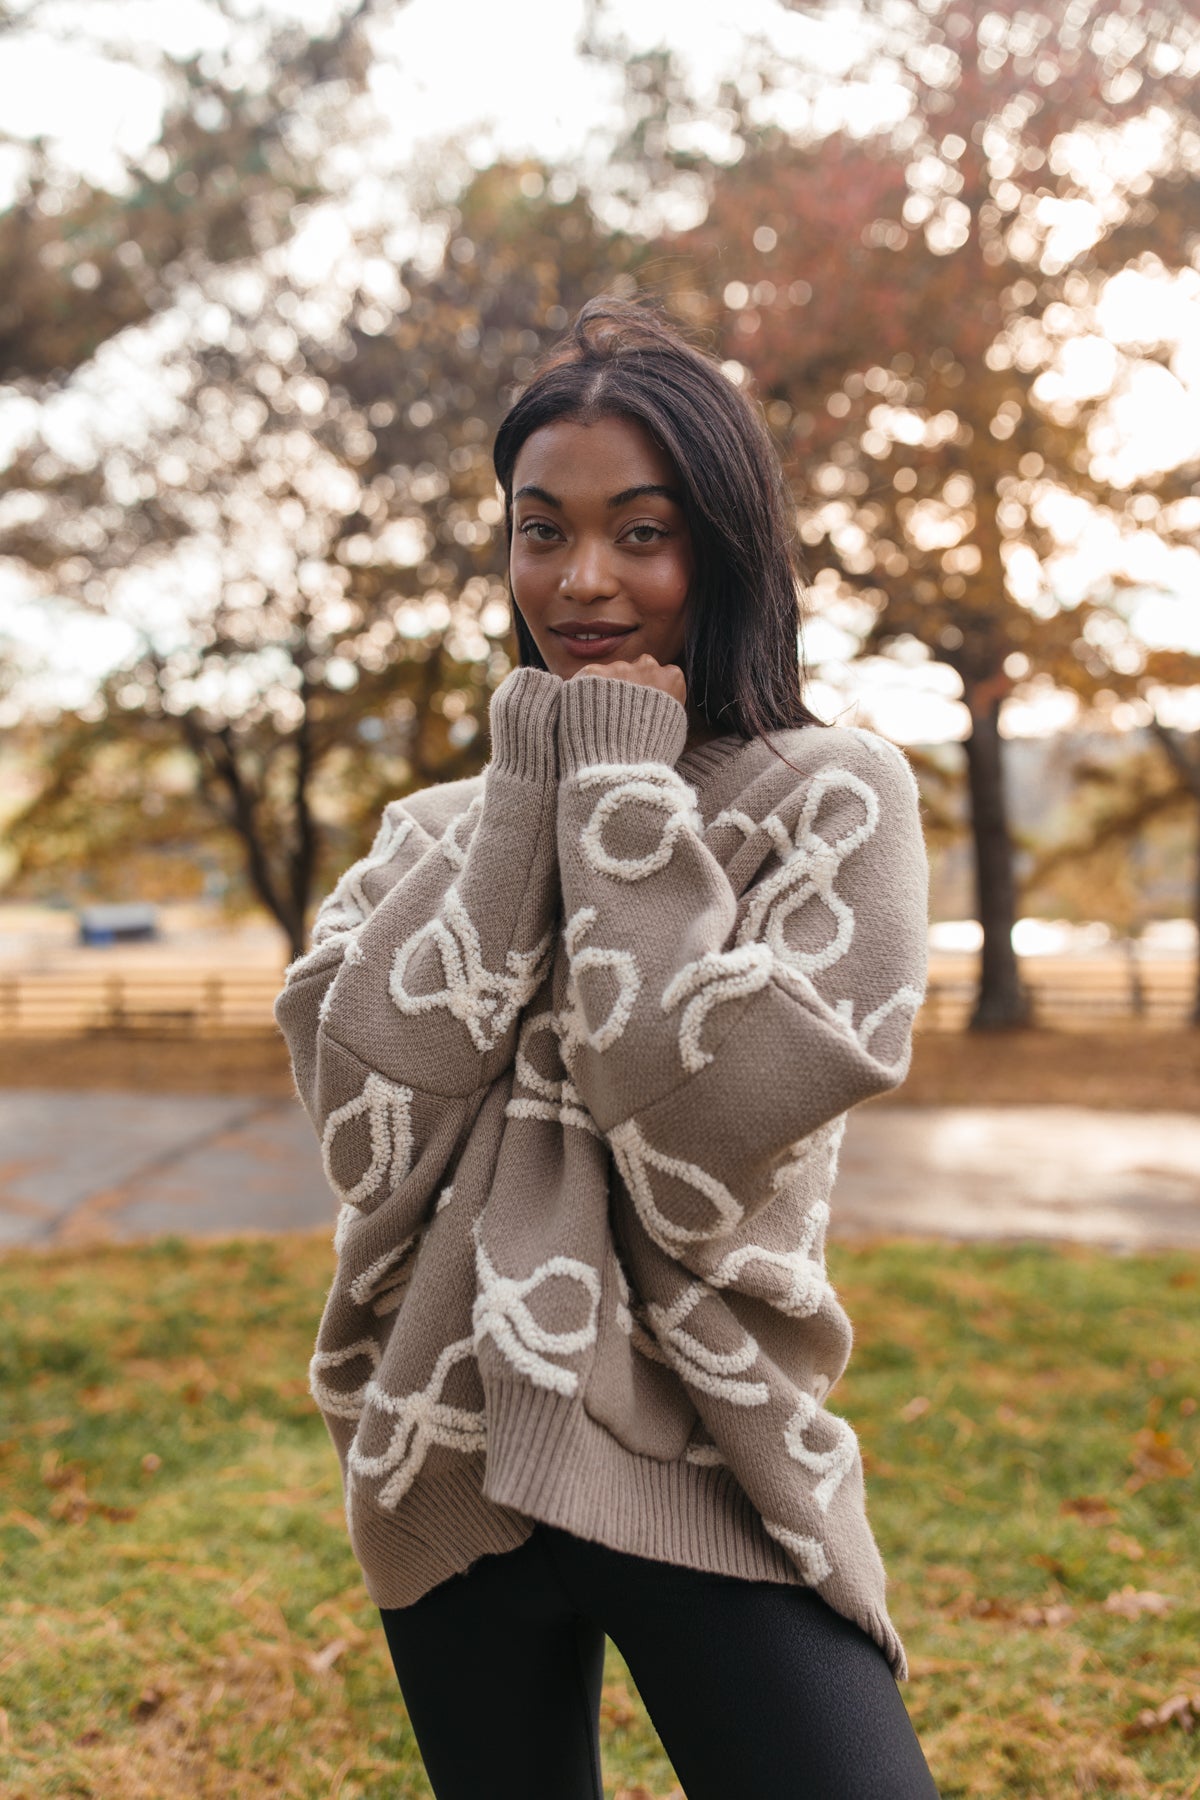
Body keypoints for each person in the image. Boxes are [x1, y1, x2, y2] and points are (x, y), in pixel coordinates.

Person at [274, 297, 939, 1799]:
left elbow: (693, 1120)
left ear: (723, 545)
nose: (583, 580)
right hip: (441, 1442)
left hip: (706, 1450)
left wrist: (621, 800)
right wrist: (530, 789)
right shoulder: (440, 828)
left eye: (641, 532)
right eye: (540, 529)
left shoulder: (832, 800)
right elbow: (369, 1117)